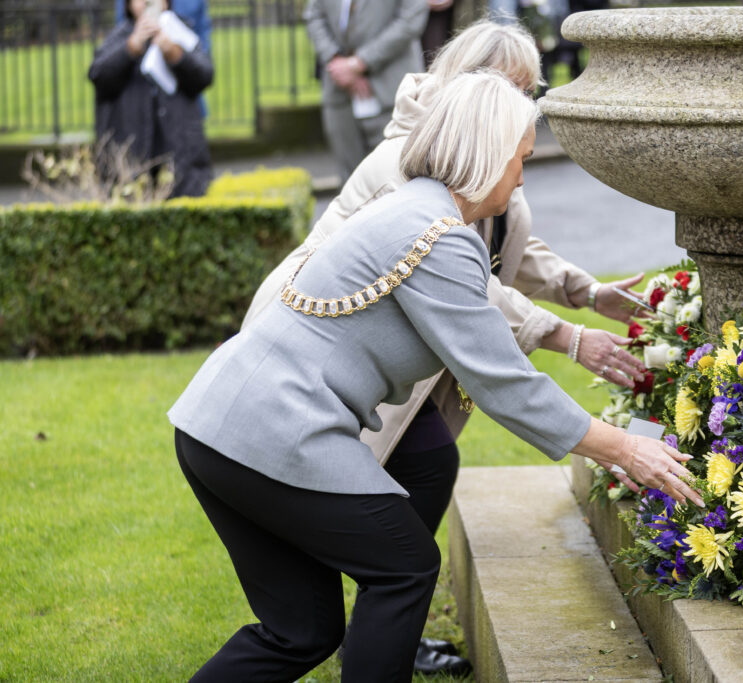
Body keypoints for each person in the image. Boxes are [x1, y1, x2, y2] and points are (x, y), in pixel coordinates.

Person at [170, 71, 703, 682]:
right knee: (403, 564)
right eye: (520, 159)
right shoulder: (439, 236)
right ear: (486, 155)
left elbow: (487, 340)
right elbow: (502, 382)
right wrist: (626, 448)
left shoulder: (415, 212)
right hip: (269, 432)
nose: (523, 176)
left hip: (212, 427)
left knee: (302, 630)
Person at [88, 0, 213, 197]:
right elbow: (98, 76)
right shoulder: (120, 36)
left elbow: (205, 75)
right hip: (132, 156)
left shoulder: (180, 32)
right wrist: (131, 47)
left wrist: (174, 53)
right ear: (128, 6)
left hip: (179, 157)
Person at [303, 0, 427, 188]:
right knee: (350, 185)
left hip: (392, 90)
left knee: (396, 180)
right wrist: (336, 60)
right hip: (339, 92)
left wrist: (360, 63)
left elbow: (411, 19)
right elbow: (313, 15)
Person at [114, 0, 212, 117]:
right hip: (138, 98)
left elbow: (202, 57)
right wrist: (133, 44)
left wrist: (177, 53)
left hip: (182, 102)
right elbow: (122, 30)